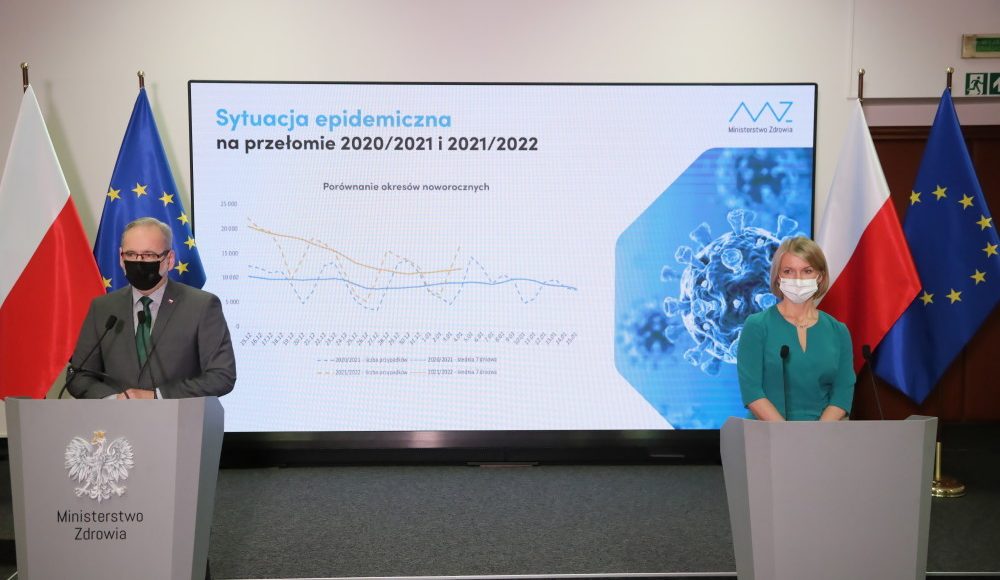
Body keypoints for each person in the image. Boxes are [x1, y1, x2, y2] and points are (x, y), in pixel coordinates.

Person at [67, 217, 236, 399]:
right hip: (115, 416)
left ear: (169, 259)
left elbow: (221, 376)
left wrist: (157, 396)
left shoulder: (202, 306)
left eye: (149, 255)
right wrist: (115, 399)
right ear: (121, 258)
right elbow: (78, 376)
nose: (138, 262)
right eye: (131, 254)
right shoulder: (102, 308)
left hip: (177, 416)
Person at [736, 236, 854, 421]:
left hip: (823, 434)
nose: (798, 279)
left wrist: (818, 434)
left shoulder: (838, 331)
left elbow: (842, 394)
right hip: (768, 433)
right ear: (778, 277)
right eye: (788, 271)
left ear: (820, 277)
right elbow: (752, 392)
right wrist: (788, 434)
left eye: (807, 271)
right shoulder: (757, 326)